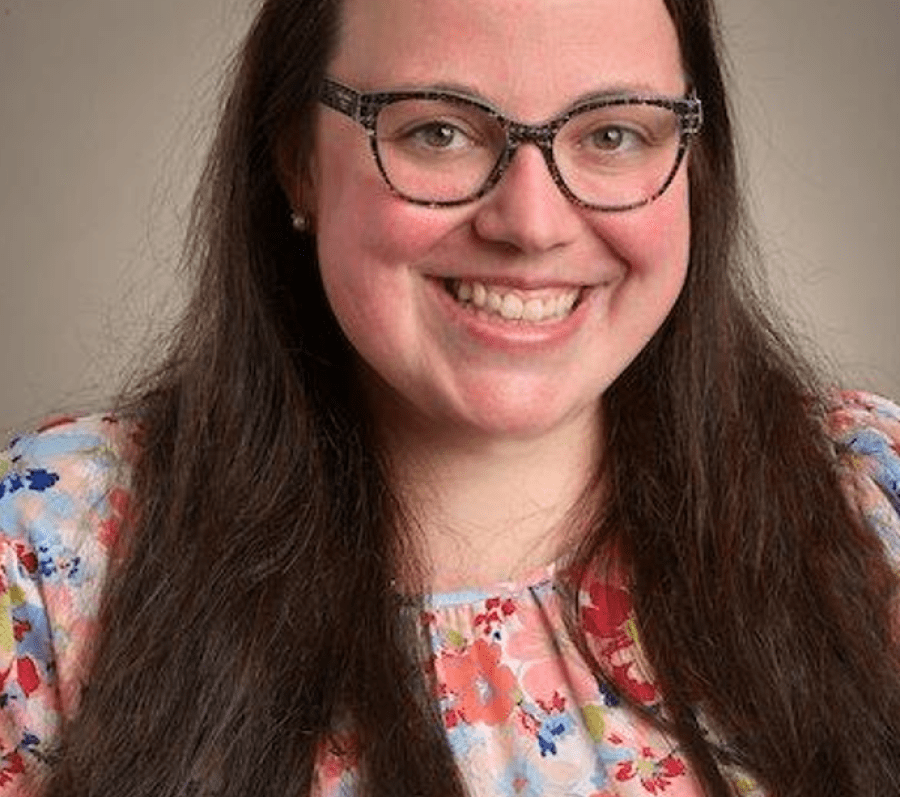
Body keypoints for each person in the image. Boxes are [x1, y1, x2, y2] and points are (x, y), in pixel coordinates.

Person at [1, 0, 899, 794]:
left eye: (614, 133)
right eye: (438, 131)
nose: (532, 224)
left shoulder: (871, 508)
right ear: (296, 161)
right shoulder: (52, 557)